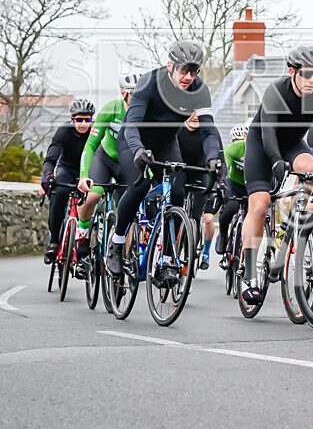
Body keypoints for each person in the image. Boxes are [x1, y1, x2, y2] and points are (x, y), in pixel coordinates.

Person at [106, 40, 221, 282]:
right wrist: (138, 151)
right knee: (138, 185)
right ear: (170, 65)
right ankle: (116, 244)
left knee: (177, 192)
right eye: (184, 70)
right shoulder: (149, 83)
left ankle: (168, 258)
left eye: (194, 71)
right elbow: (133, 124)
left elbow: (209, 131)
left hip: (166, 143)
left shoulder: (199, 90)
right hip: (134, 140)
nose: (189, 76)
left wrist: (213, 159)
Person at [240, 45, 313, 304]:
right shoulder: (276, 91)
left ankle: (294, 223)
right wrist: (276, 160)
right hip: (262, 145)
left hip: (292, 144)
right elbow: (268, 132)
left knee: (310, 168)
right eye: (306, 74)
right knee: (259, 205)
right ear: (293, 72)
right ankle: (248, 274)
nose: (312, 80)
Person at [74, 74, 141, 277]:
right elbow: (90, 144)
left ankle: (123, 256)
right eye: (134, 94)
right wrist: (84, 175)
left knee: (126, 213)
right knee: (93, 196)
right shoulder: (111, 109)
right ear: (124, 93)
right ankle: (83, 231)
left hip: (127, 165)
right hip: (106, 160)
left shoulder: (144, 114)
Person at [41, 99, 95, 266]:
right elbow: (51, 158)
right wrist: (47, 177)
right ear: (72, 119)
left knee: (90, 202)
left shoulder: (96, 132)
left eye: (87, 120)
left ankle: (85, 247)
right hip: (67, 170)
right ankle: (54, 241)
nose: (83, 124)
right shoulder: (64, 131)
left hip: (88, 172)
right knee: (59, 194)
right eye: (79, 120)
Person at [177, 111, 224, 270]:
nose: (195, 116)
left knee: (194, 217)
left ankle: (193, 250)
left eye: (199, 112)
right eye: (191, 112)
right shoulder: (177, 128)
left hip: (200, 174)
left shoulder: (210, 130)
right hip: (180, 171)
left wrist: (221, 182)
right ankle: (175, 248)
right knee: (177, 209)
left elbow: (221, 160)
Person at [216, 123, 248, 265]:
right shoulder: (231, 150)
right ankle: (223, 235)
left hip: (250, 184)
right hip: (234, 183)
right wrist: (222, 184)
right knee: (230, 208)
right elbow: (225, 168)